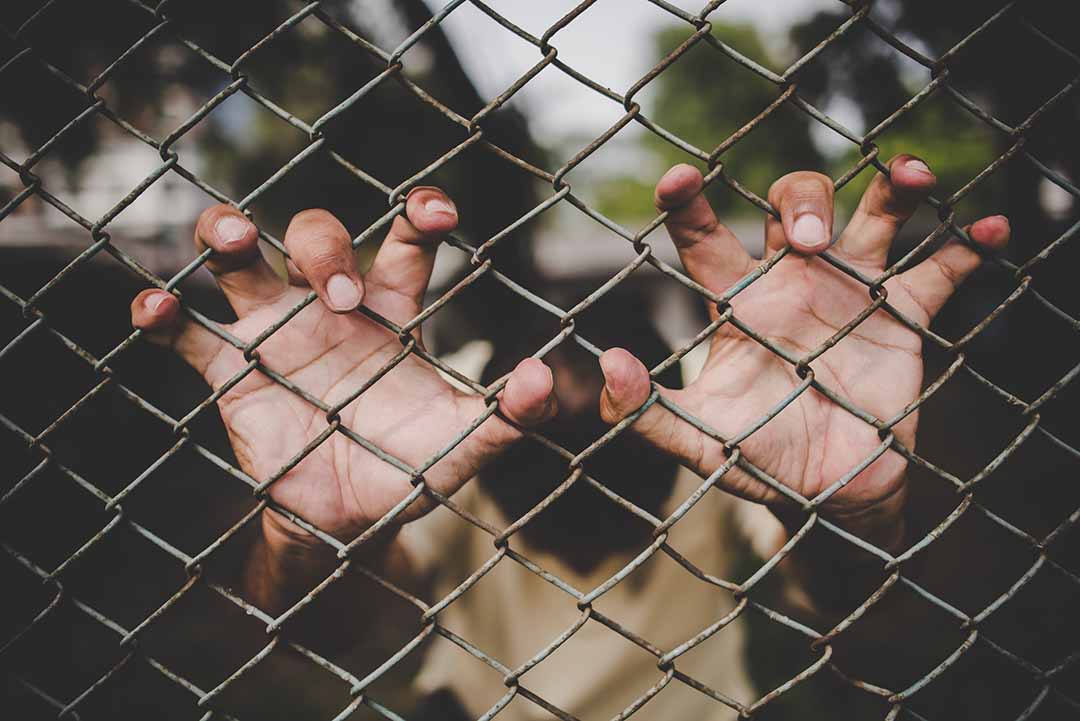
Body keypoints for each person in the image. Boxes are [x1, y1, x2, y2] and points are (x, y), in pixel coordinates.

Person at [130, 157, 1009, 720]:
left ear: (664, 416)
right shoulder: (435, 411)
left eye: (609, 435)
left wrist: (835, 505)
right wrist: (320, 535)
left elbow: (847, 598)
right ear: (503, 423)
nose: (580, 460)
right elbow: (338, 628)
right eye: (551, 440)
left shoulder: (734, 409)